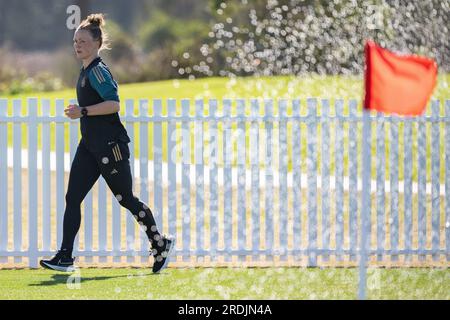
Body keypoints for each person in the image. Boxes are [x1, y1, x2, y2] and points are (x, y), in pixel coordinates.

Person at [40, 13, 175, 273]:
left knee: (126, 199)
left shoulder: (98, 71)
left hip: (110, 147)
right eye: (75, 40)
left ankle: (160, 244)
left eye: (82, 41)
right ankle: (65, 257)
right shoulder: (85, 71)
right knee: (72, 197)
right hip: (90, 147)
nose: (77, 45)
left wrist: (83, 111)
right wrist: (82, 112)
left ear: (96, 42)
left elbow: (114, 104)